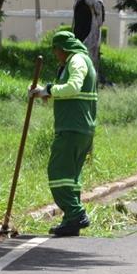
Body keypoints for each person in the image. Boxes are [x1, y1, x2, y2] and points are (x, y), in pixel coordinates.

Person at [30, 30, 97, 237]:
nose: (55, 54)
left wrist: (48, 90)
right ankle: (71, 222)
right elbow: (69, 92)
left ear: (63, 48)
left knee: (57, 173)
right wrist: (45, 92)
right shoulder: (77, 60)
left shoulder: (76, 60)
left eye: (56, 50)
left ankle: (76, 213)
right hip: (80, 128)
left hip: (73, 128)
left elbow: (73, 87)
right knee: (71, 177)